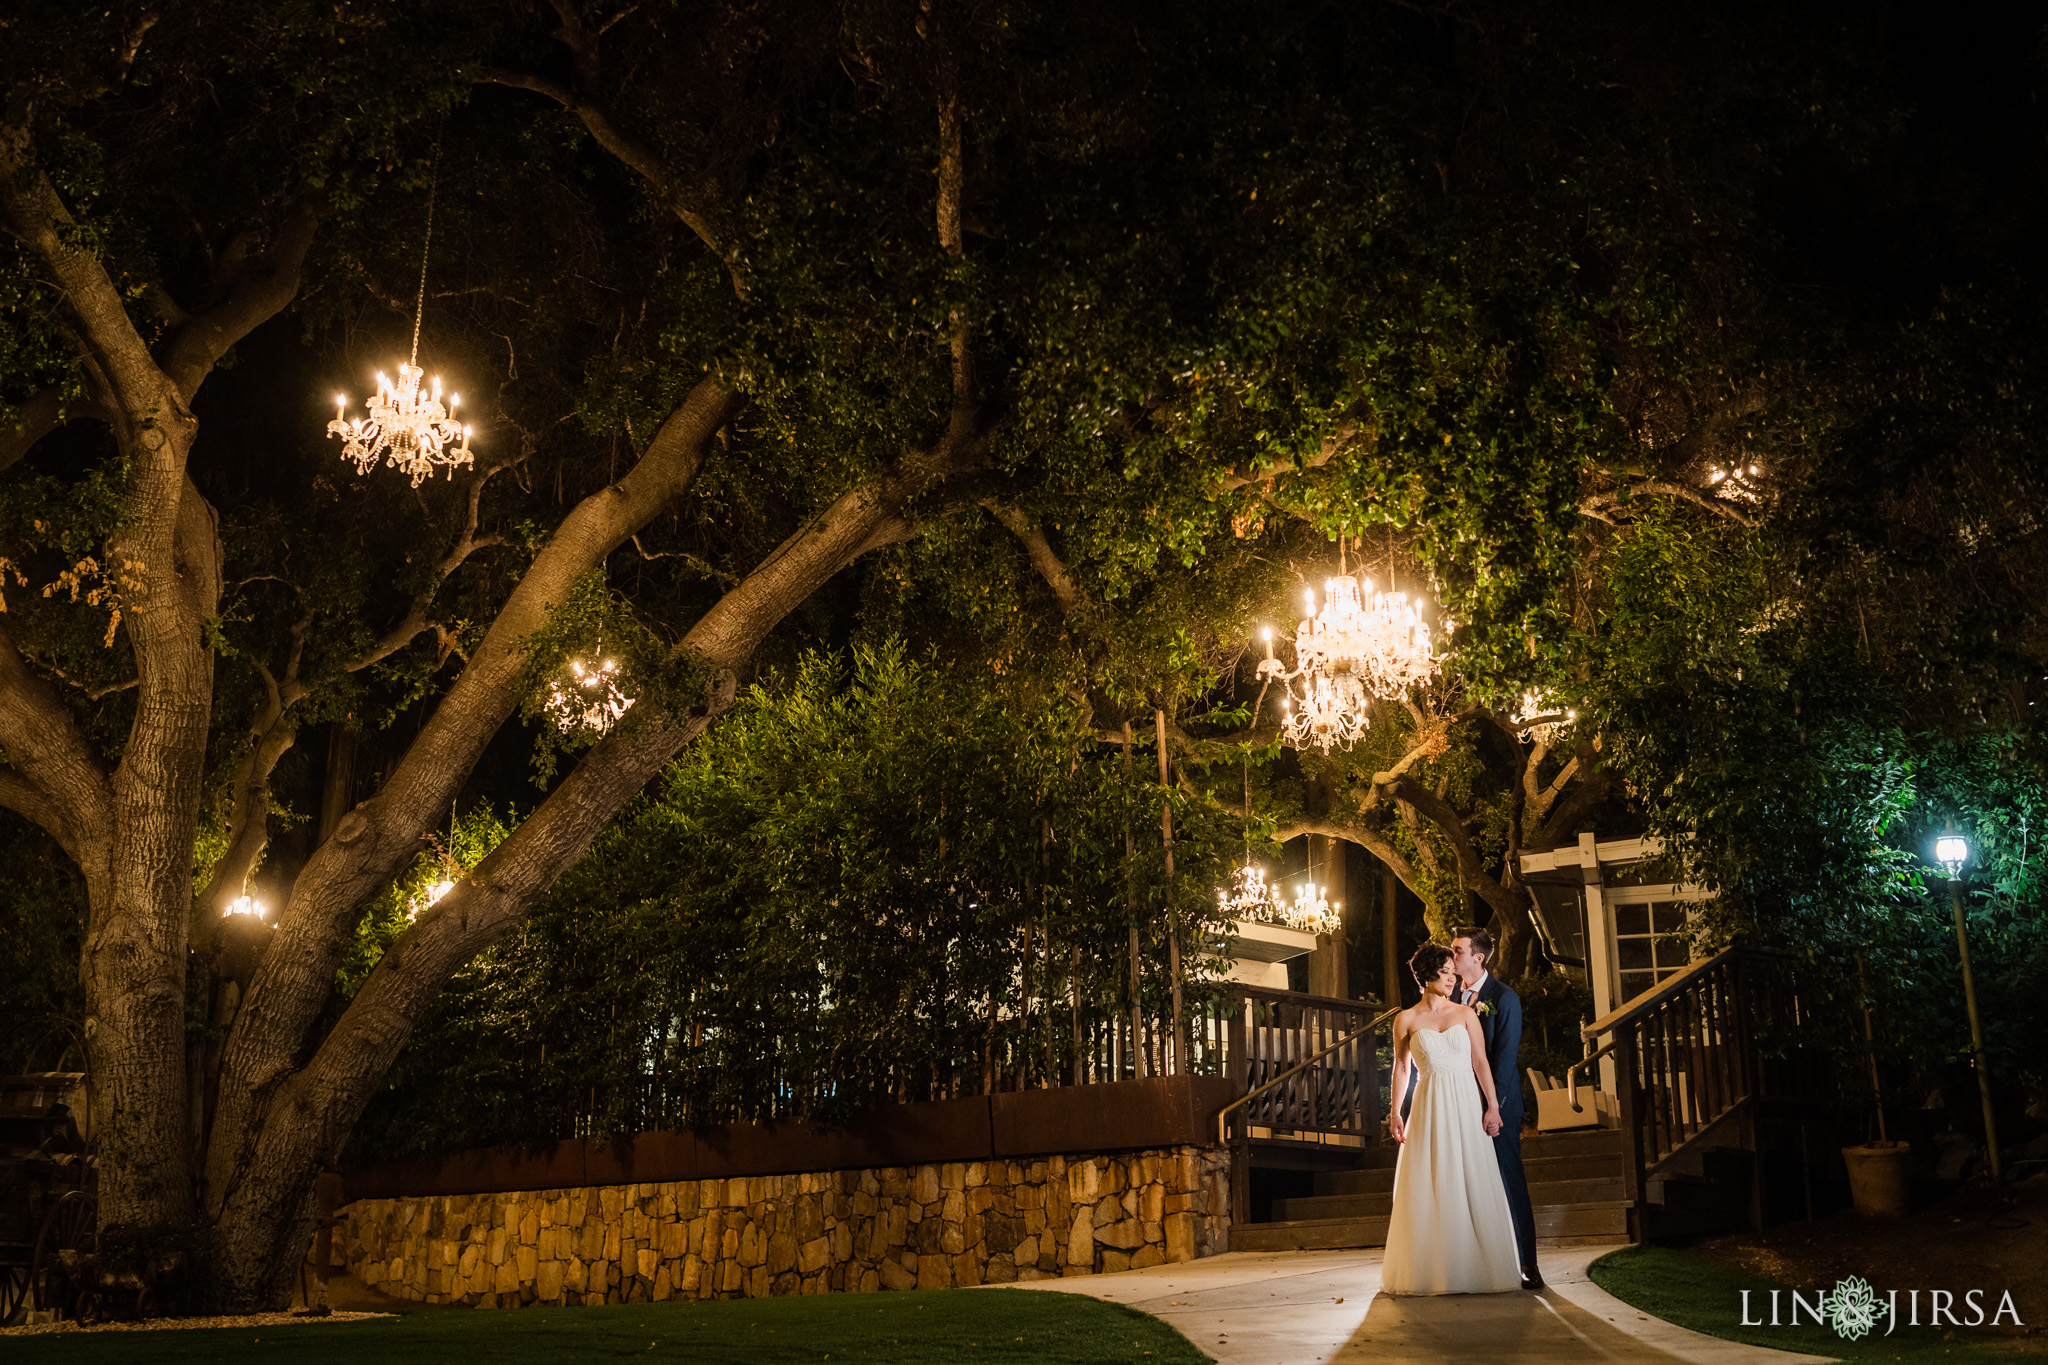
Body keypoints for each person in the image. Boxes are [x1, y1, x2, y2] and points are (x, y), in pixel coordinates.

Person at [1379, 942, 1522, 1296]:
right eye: (1445, 973)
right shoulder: (1406, 1019)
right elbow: (1401, 1067)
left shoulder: (1464, 1013)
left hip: (1464, 1105)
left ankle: (1480, 1266)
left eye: (1452, 972)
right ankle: (1434, 1270)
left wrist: (1492, 1105)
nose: (1452, 978)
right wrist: (1396, 1110)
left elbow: (1480, 1062)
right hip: (1428, 1106)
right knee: (1433, 1181)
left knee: (1471, 1175)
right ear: (1427, 976)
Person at [1450, 925, 1542, 1290]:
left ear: (1478, 957)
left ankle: (1528, 1264)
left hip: (1496, 1106)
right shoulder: (1449, 996)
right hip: (1456, 1105)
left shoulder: (1503, 998)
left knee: (1510, 1183)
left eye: (1458, 950)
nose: (1451, 955)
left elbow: (1504, 1061)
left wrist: (1494, 1109)